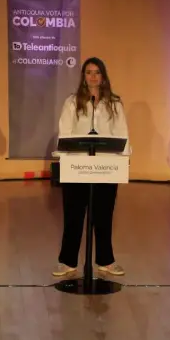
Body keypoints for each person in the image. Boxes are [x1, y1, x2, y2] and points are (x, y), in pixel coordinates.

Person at [52, 57, 128, 278]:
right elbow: (64, 132)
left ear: (103, 76)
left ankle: (106, 260)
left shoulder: (114, 103)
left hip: (106, 167)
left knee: (104, 214)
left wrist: (124, 159)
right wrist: (64, 160)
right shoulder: (72, 102)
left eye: (97, 72)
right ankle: (67, 261)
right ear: (83, 76)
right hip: (77, 166)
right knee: (74, 214)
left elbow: (122, 132)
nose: (93, 76)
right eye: (88, 72)